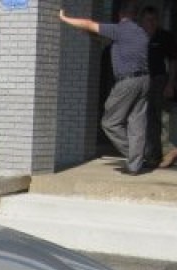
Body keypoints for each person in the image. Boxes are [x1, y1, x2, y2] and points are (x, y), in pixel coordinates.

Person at [60, 0, 152, 175]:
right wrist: (91, 35)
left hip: (128, 82)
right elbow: (114, 45)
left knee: (110, 122)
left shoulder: (120, 29)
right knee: (136, 123)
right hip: (144, 80)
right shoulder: (140, 33)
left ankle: (136, 155)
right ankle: (135, 164)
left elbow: (89, 24)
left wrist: (64, 18)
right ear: (136, 16)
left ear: (120, 15)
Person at [141, 5, 177, 168]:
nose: (151, 23)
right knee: (147, 120)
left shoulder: (164, 37)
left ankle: (168, 150)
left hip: (159, 81)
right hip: (142, 82)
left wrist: (170, 84)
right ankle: (153, 157)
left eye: (153, 19)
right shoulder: (138, 36)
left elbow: (174, 61)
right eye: (147, 19)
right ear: (141, 20)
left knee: (161, 117)